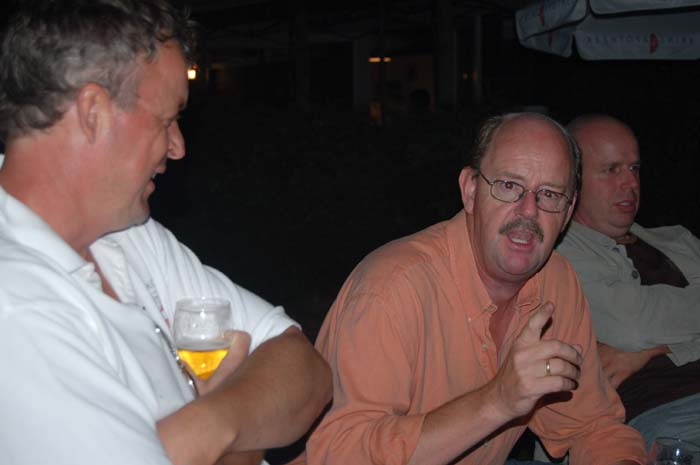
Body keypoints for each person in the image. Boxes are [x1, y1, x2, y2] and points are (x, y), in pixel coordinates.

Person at [0, 1, 331, 465]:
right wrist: (244, 432)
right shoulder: (17, 309)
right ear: (93, 112)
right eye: (166, 119)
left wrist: (202, 428)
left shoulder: (125, 233)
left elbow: (304, 368)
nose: (178, 147)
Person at [299, 113, 646, 465]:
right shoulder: (391, 290)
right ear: (471, 190)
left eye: (549, 194)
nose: (529, 211)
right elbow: (340, 455)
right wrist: (497, 400)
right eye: (509, 186)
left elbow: (592, 426)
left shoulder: (556, 282)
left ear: (568, 211)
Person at [556, 114, 700, 448]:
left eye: (634, 168)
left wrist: (657, 348)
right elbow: (633, 324)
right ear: (571, 181)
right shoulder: (559, 256)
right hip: (667, 410)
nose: (630, 183)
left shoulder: (678, 239)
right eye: (611, 170)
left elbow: (640, 335)